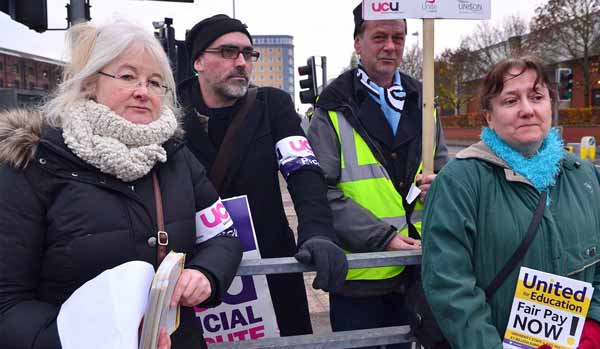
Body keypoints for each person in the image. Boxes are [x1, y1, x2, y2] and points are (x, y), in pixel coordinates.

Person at [0, 20, 243, 349]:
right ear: (89, 83)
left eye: (155, 82)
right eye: (127, 76)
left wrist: (206, 274)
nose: (143, 91)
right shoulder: (34, 161)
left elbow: (223, 237)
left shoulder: (176, 157)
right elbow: (9, 302)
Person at [421, 56, 600, 348]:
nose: (527, 110)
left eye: (537, 97)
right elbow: (450, 287)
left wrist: (594, 330)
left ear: (551, 106)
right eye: (511, 101)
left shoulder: (586, 177)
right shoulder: (459, 181)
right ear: (489, 115)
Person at [179, 14, 348, 336]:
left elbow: (303, 170)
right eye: (228, 52)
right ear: (198, 60)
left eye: (248, 53)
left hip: (270, 267)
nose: (241, 62)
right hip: (197, 271)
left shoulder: (273, 106)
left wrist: (316, 231)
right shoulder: (169, 113)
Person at [306, 3, 448, 347]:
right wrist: (381, 237)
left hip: (420, 268)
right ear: (358, 43)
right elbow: (321, 192)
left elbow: (445, 170)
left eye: (398, 37)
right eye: (379, 37)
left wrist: (444, 186)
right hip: (361, 275)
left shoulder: (423, 101)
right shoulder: (331, 108)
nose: (390, 46)